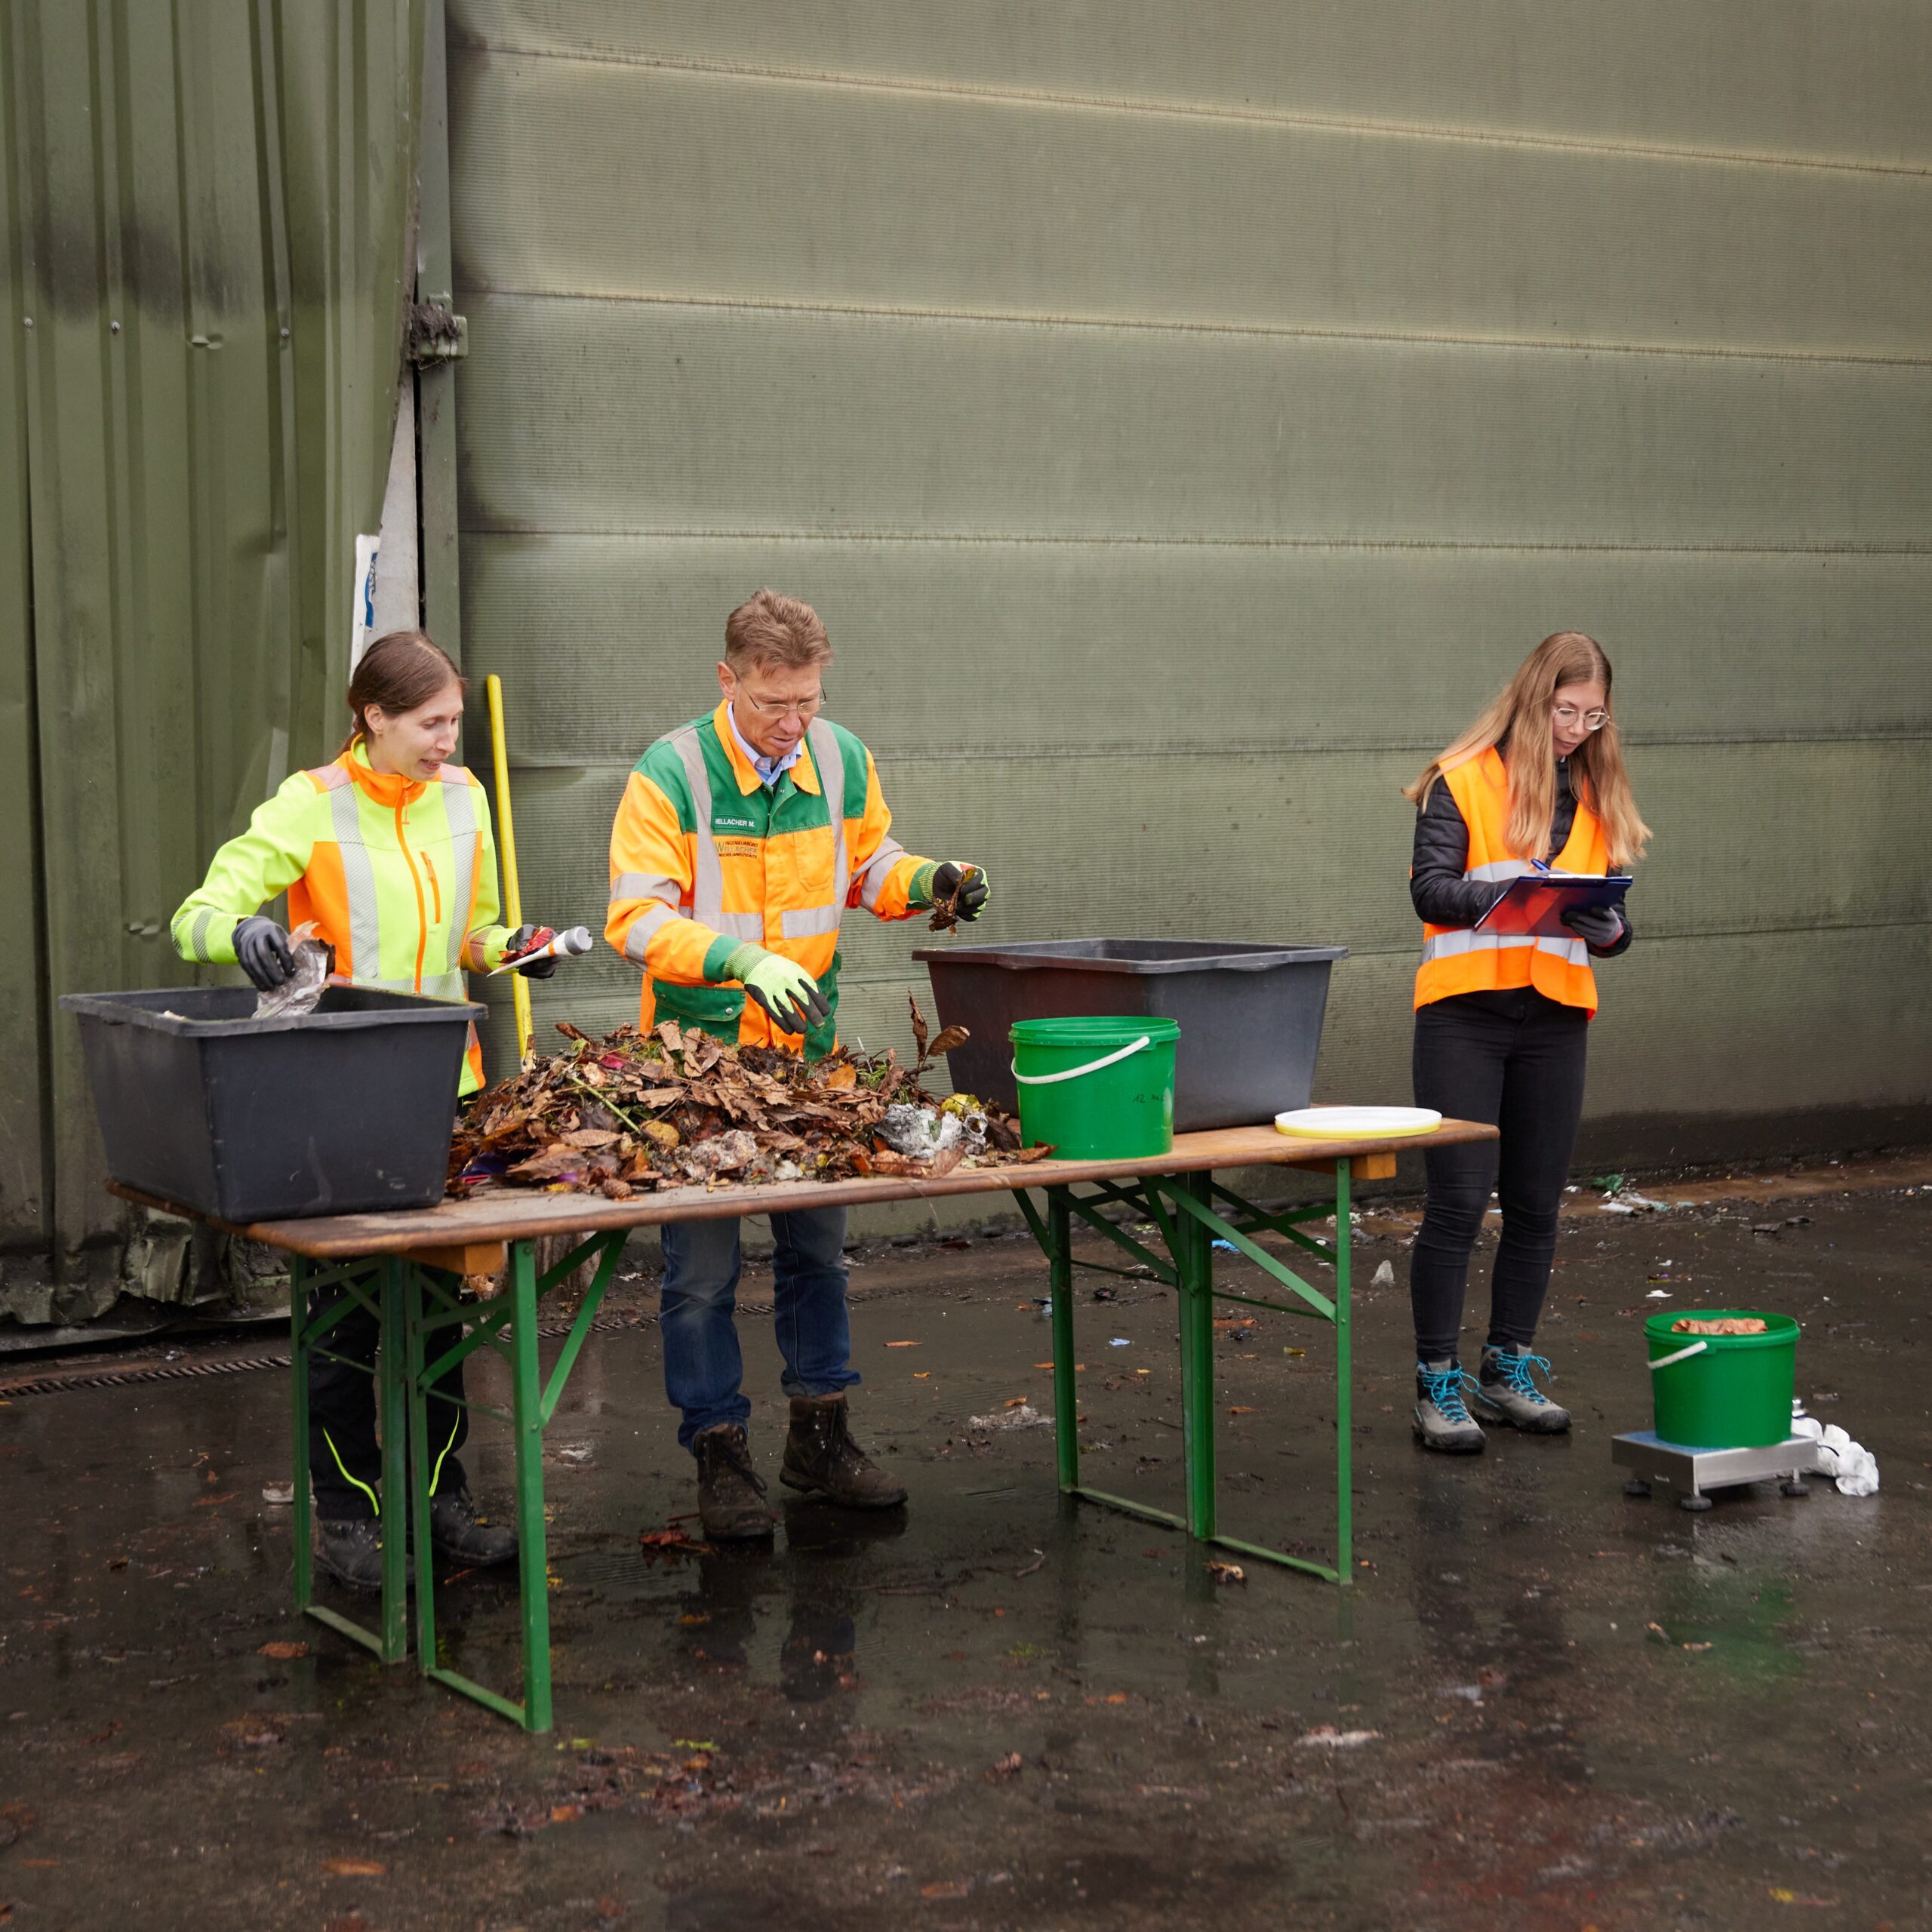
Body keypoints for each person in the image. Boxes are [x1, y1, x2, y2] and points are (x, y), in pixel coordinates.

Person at [171, 630, 561, 1586]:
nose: (446, 741)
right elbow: (194, 918)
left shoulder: (463, 798)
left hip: (442, 1092)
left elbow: (474, 934)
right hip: (333, 1101)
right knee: (343, 1320)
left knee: (439, 1314)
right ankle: (346, 1512)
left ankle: (441, 1499)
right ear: (373, 717)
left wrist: (520, 945)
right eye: (430, 723)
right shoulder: (311, 805)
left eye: (455, 722)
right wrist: (244, 932)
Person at [606, 589, 989, 1540]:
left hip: (806, 1064)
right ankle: (719, 1450)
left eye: (809, 701)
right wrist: (740, 961)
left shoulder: (839, 755)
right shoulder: (672, 772)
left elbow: (868, 867)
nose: (793, 725)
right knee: (700, 1273)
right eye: (774, 704)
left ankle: (820, 1438)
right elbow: (638, 916)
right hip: (694, 1064)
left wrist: (929, 880)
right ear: (726, 680)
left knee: (816, 1253)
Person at [1403, 631, 1650, 1454]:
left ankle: (1505, 1368)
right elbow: (1429, 891)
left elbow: (1613, 923)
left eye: (1593, 713)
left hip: (1554, 1018)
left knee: (1537, 1206)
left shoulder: (1599, 792)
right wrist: (1500, 888)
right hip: (1463, 1016)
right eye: (1565, 710)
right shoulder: (1462, 779)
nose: (1578, 728)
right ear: (1532, 698)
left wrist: (1608, 928)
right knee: (1458, 1205)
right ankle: (1436, 1382)